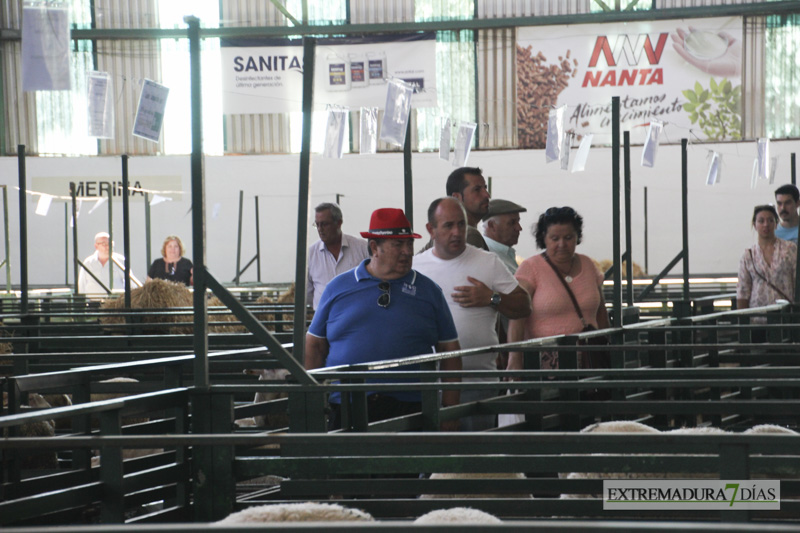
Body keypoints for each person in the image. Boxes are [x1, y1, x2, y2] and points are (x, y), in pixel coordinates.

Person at [305, 208, 462, 430]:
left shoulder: (428, 291)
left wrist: (449, 409)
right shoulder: (337, 288)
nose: (407, 252)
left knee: (409, 464)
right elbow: (314, 345)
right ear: (374, 248)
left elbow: (450, 351)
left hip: (411, 405)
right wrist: (313, 403)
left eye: (409, 244)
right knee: (349, 462)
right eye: (398, 245)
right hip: (348, 404)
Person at [414, 198, 531, 430]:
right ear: (431, 230)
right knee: (436, 459)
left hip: (479, 383)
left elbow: (523, 306)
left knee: (480, 459)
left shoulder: (488, 262)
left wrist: (491, 298)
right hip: (429, 385)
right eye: (448, 225)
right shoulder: (415, 268)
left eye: (461, 224)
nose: (457, 232)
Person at [508, 207, 610, 371]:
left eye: (568, 237)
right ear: (544, 238)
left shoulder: (589, 265)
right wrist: (515, 358)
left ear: (577, 237)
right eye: (555, 238)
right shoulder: (530, 268)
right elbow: (517, 319)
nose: (562, 244)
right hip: (544, 365)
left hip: (589, 361)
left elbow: (601, 312)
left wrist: (608, 346)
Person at [737, 204, 797, 340]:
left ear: (776, 223)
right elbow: (743, 290)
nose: (766, 225)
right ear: (755, 224)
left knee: (785, 357)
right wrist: (742, 322)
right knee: (759, 356)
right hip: (757, 318)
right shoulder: (749, 255)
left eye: (770, 220)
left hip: (786, 316)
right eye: (761, 221)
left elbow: (796, 281)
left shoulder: (790, 250)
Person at [307, 202, 369, 310]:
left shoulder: (362, 248)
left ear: (339, 223)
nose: (320, 229)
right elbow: (306, 293)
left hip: (357, 317)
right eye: (317, 224)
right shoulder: (311, 254)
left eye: (325, 224)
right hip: (325, 320)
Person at [420, 167, 491, 252]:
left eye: (485, 188)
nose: (487, 195)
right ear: (456, 198)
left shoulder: (439, 236)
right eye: (477, 190)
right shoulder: (469, 235)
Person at [482, 199, 527, 275]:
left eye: (518, 222)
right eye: (512, 223)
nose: (519, 228)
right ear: (492, 225)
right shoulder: (486, 256)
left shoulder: (505, 254)